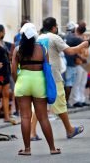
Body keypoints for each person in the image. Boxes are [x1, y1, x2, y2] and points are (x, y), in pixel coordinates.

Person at [12, 23, 60, 155]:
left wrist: (19, 82)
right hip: (39, 82)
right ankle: (52, 148)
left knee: (25, 117)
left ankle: (27, 149)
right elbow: (47, 68)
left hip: (23, 82)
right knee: (43, 117)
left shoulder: (17, 50)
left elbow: (13, 71)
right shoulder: (43, 49)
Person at [38, 17, 88, 139]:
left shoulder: (38, 38)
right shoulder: (54, 37)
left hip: (40, 75)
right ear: (54, 27)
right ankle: (69, 129)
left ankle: (33, 133)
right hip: (53, 75)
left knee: (39, 104)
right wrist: (83, 44)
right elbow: (70, 51)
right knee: (61, 103)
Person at [64, 21, 81, 107]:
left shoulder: (64, 37)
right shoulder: (72, 38)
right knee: (69, 83)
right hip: (69, 63)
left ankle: (67, 101)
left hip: (66, 62)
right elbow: (84, 42)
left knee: (68, 83)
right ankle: (66, 102)